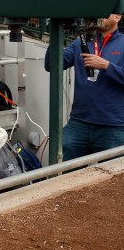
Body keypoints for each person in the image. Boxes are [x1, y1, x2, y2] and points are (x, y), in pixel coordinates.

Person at [44, 13, 124, 160]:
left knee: (112, 179)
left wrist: (106, 66)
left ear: (117, 17)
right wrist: (56, 33)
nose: (100, 14)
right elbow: (52, 65)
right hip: (79, 123)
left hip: (113, 127)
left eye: (107, 12)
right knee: (65, 175)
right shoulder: (81, 41)